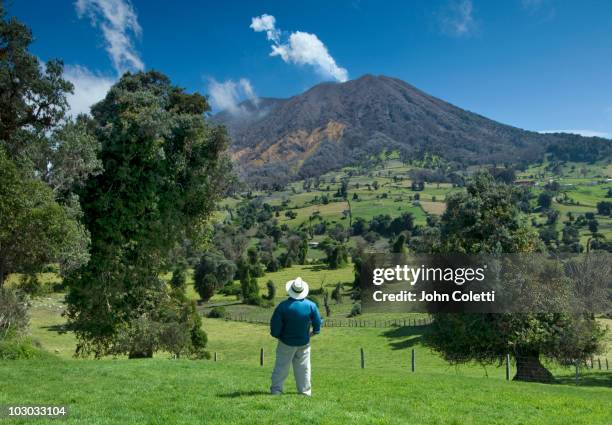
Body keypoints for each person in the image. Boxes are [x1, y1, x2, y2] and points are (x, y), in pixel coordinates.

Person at [269, 277, 322, 396]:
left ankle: (276, 390)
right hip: (304, 342)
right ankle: (305, 392)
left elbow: (275, 327)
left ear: (291, 290)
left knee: (281, 367)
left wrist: (278, 336)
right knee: (304, 368)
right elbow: (317, 324)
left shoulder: (282, 306)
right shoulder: (311, 306)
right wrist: (313, 333)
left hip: (285, 342)